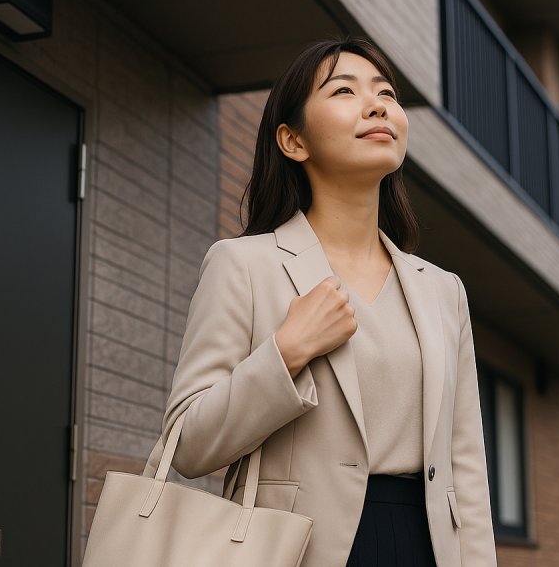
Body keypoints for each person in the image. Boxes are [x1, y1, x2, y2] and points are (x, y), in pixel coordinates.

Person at [161, 37, 497, 567]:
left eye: (386, 93)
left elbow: (466, 467)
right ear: (293, 141)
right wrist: (285, 352)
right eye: (344, 90)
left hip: (428, 546)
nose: (378, 104)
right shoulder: (244, 266)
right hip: (298, 550)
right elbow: (189, 446)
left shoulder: (443, 291)